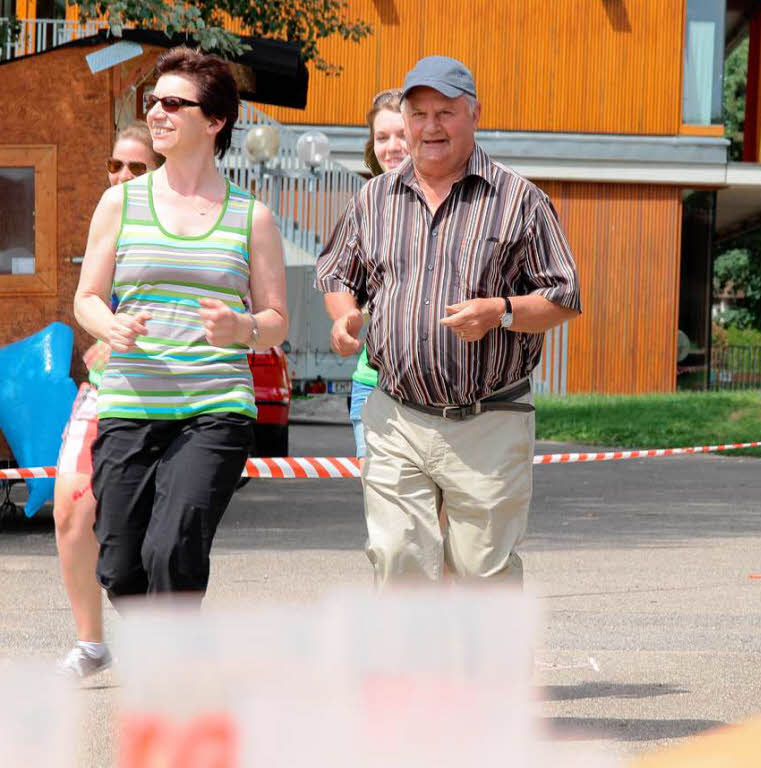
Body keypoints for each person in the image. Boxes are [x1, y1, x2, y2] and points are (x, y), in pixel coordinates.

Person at [316, 56, 581, 585]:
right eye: (419, 114)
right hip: (396, 414)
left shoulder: (519, 200)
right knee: (397, 556)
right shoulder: (374, 199)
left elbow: (564, 295)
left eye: (446, 112)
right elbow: (338, 271)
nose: (430, 127)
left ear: (474, 113)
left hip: (489, 416)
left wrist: (500, 312)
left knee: (481, 571)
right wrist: (344, 318)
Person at [74, 47, 288, 601]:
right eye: (152, 101)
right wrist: (110, 327)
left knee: (171, 550)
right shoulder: (119, 202)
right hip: (131, 403)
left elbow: (277, 321)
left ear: (214, 121)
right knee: (120, 565)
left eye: (173, 103)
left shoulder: (252, 216)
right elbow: (88, 299)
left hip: (214, 409)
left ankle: (170, 677)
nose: (155, 113)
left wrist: (242, 329)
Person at [55, 122, 163, 678]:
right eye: (113, 166)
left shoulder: (176, 223)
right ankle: (92, 645)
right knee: (70, 514)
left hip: (168, 395)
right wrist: (102, 339)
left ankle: (163, 641)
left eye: (136, 168)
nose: (121, 177)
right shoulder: (107, 218)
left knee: (151, 537)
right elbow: (89, 301)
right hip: (103, 390)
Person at [349, 88, 408, 468]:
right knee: (387, 519)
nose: (392, 147)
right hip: (372, 386)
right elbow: (340, 280)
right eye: (382, 138)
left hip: (445, 397)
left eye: (401, 135)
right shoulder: (366, 204)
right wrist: (345, 316)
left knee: (434, 524)